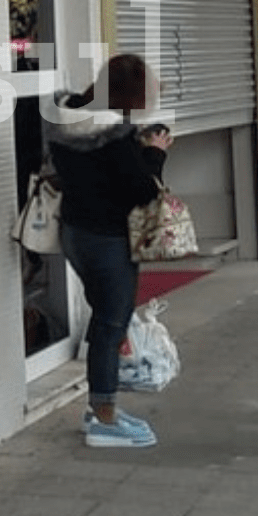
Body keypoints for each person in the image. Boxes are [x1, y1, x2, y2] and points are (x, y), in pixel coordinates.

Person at [44, 52, 172, 449]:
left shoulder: (67, 121)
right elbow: (141, 191)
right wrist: (155, 153)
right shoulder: (115, 137)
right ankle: (103, 416)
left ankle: (101, 404)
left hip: (75, 233)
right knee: (110, 323)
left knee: (104, 318)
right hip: (108, 238)